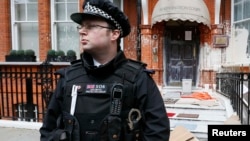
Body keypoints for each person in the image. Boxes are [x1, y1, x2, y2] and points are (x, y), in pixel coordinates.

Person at [39, 0, 170, 141]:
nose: (82, 31)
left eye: (91, 26)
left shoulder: (138, 78)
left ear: (114, 34)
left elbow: (158, 132)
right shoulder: (69, 77)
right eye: (82, 26)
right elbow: (48, 131)